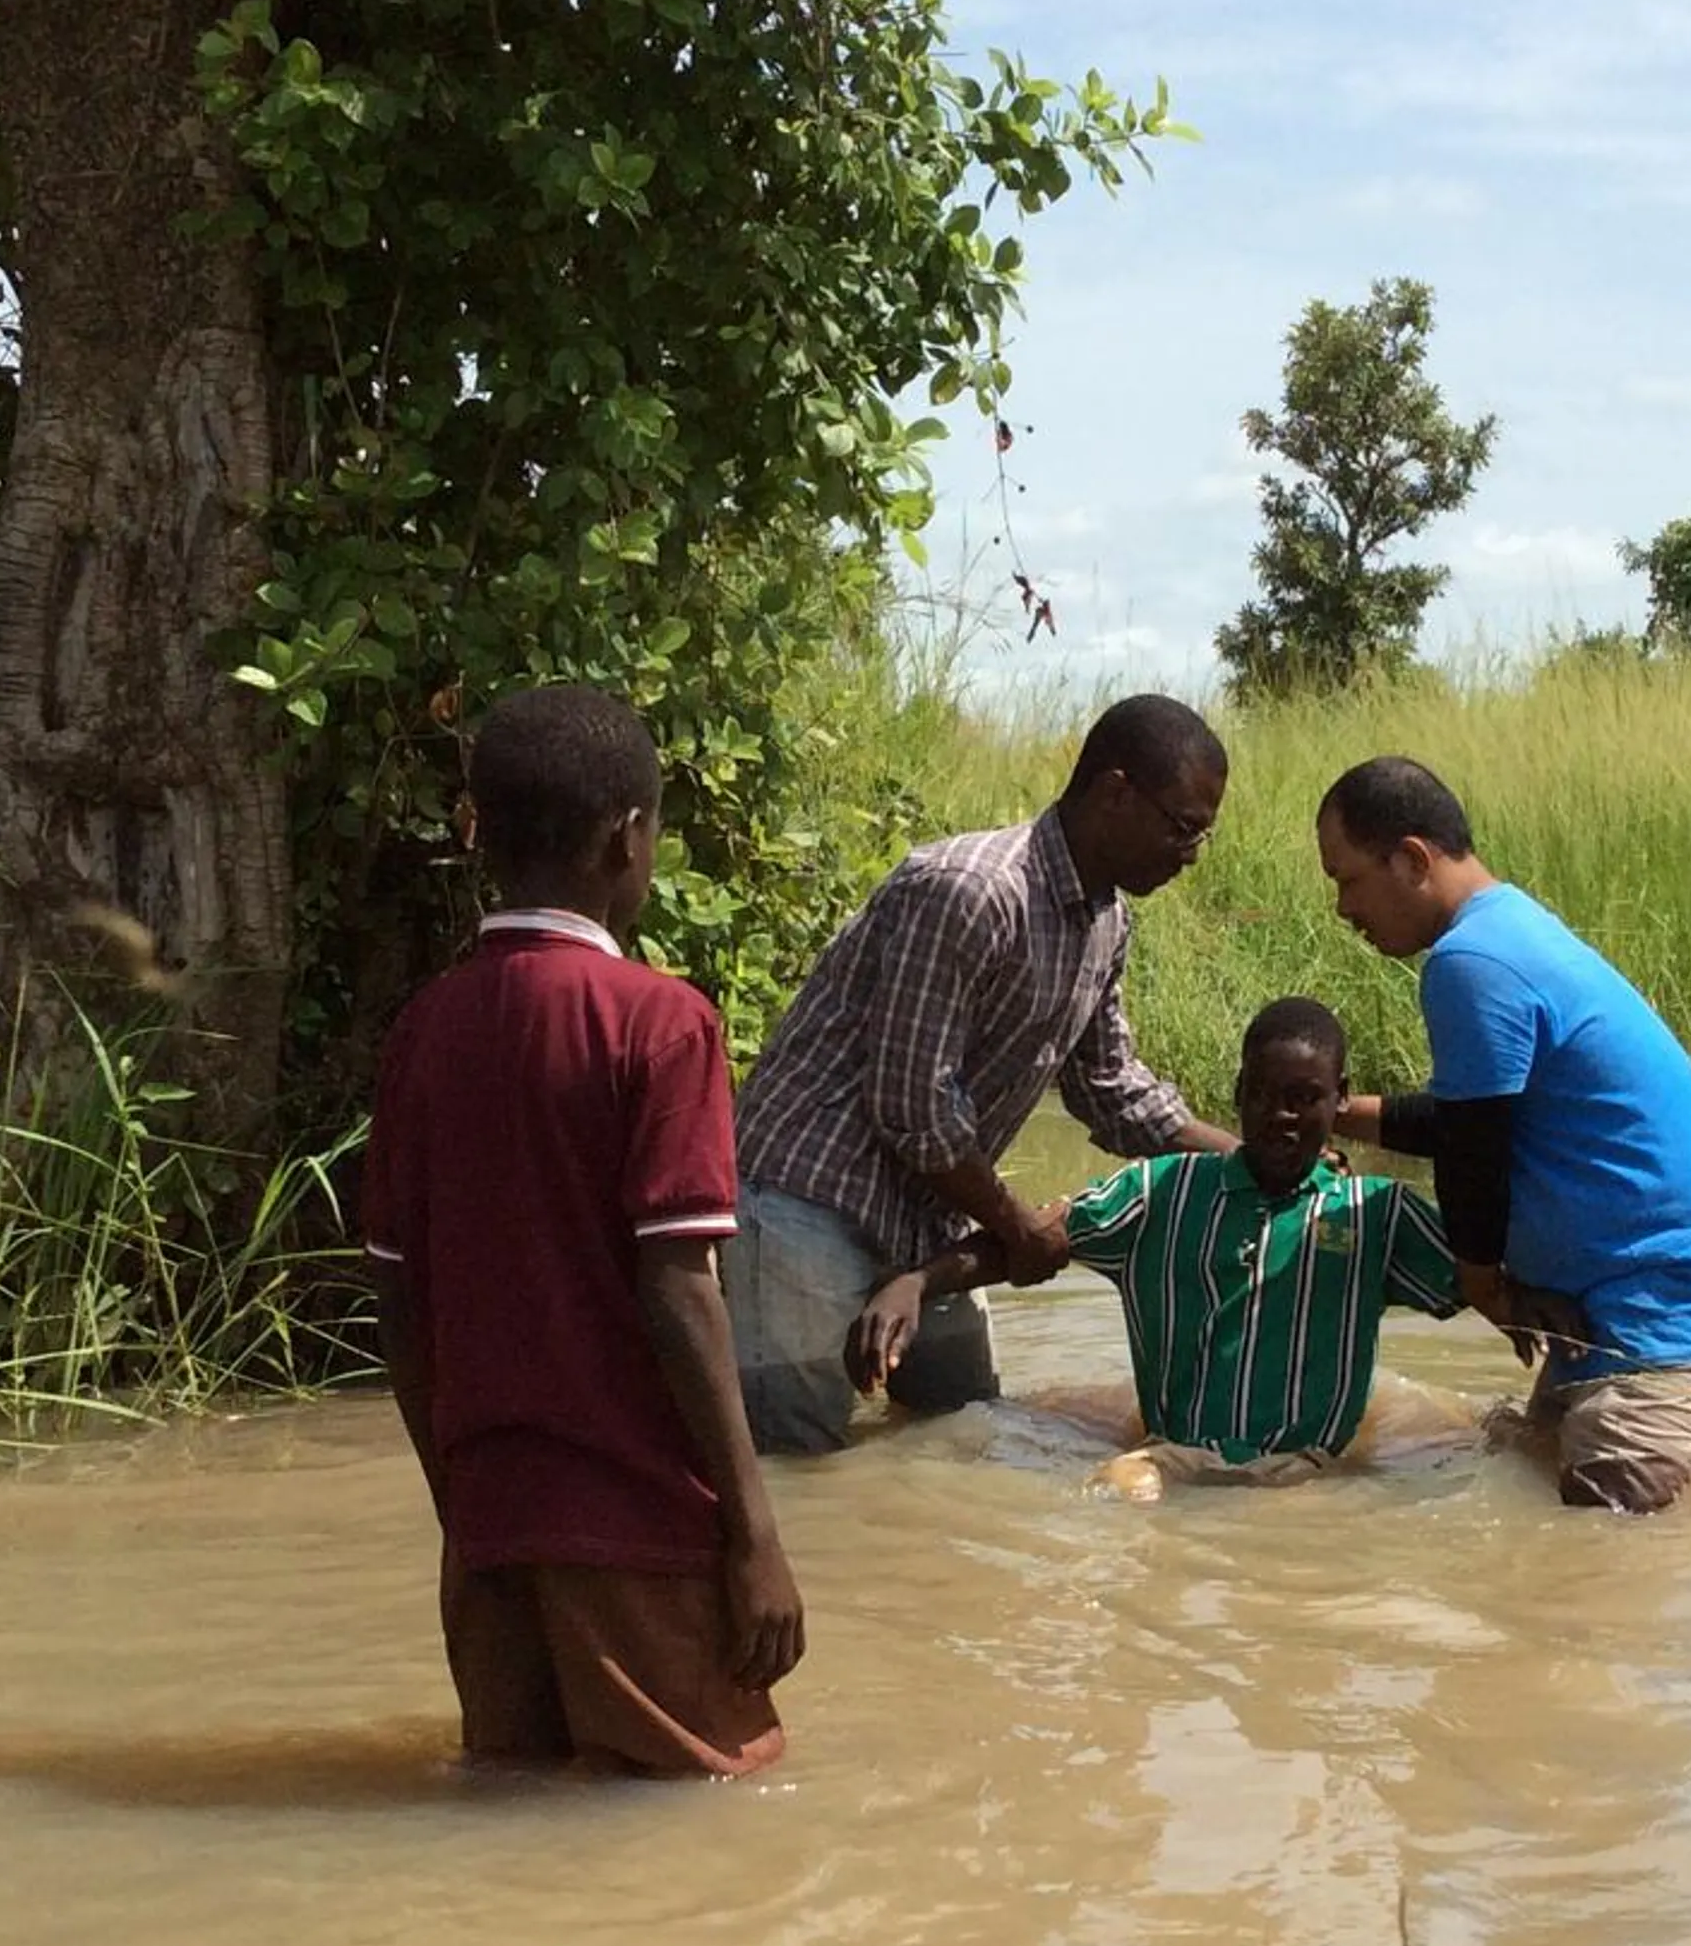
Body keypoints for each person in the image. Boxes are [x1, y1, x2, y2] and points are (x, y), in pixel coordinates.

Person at [365, 686, 805, 1777]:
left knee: (516, 1807)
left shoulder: (422, 1031)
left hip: (488, 1533)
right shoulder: (663, 1024)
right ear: (627, 837)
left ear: (483, 834)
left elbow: (399, 1302)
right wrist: (755, 1535)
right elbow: (680, 1288)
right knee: (703, 1815)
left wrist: (460, 1509)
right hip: (636, 1527)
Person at [728, 692, 1238, 1453]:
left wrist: (1248, 1160)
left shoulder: (1105, 921)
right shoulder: (971, 891)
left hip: (929, 1216)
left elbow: (1111, 1089)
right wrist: (1017, 1225)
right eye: (1184, 827)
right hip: (809, 1200)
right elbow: (912, 1106)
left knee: (965, 1432)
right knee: (798, 1459)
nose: (1191, 854)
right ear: (1116, 793)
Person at [1312, 755, 1691, 1511]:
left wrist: (1485, 1288)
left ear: (1412, 859)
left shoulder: (1469, 961)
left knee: (1607, 1540)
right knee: (1532, 1476)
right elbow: (1475, 1119)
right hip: (1624, 1298)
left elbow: (1474, 1154)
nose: (1342, 908)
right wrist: (1339, 1113)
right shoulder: (1508, 928)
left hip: (1663, 1307)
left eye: (1347, 879)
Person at [848, 996, 1461, 1493]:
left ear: (1340, 1097)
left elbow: (1482, 1284)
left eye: (1304, 1099)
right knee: (1116, 1493)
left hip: (1308, 1476)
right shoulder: (1161, 1192)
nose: (1281, 1116)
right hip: (1172, 1459)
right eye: (1262, 1095)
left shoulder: (1375, 1214)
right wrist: (918, 1282)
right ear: (1238, 1091)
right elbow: (1035, 1243)